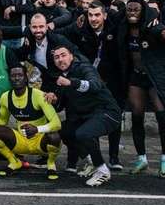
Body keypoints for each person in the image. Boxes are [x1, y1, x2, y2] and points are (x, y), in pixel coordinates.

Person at [121, 0, 165, 178]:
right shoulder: (123, 28)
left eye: (136, 10)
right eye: (129, 9)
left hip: (156, 77)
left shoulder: (154, 27)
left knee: (161, 115)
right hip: (136, 76)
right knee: (137, 116)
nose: (132, 13)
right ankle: (142, 158)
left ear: (143, 11)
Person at [52, 46, 122, 187]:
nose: (60, 59)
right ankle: (92, 162)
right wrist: (53, 99)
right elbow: (61, 105)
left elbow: (95, 85)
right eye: (56, 57)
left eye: (63, 55)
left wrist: (72, 83)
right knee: (64, 131)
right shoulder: (62, 76)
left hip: (108, 112)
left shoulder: (84, 68)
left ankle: (103, 171)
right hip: (87, 116)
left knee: (83, 134)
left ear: (71, 56)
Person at [0, 65, 62, 180]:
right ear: (9, 79)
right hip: (21, 141)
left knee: (54, 136)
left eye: (20, 75)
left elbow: (56, 123)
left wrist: (37, 129)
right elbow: (2, 121)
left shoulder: (39, 95)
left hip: (41, 142)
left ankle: (50, 164)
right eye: (13, 76)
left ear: (26, 78)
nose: (16, 78)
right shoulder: (5, 97)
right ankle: (14, 162)